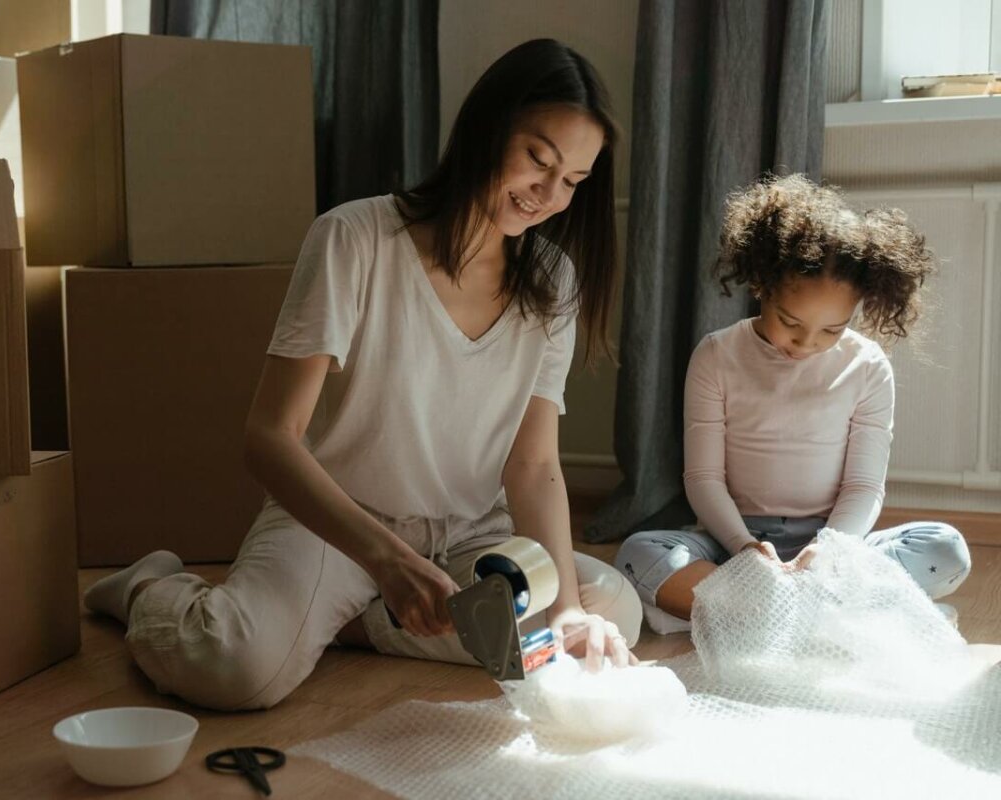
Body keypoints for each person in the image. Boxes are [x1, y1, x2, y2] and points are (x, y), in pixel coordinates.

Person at [84, 38, 643, 710]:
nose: (549, 196)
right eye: (539, 160)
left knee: (607, 607)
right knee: (233, 667)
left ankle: (358, 622)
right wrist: (387, 559)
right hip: (336, 527)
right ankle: (151, 587)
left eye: (573, 183)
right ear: (487, 127)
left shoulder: (553, 281)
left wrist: (568, 614)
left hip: (471, 537)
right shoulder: (354, 238)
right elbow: (269, 437)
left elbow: (534, 468)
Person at [617, 173, 972, 635]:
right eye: (790, 322)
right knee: (639, 553)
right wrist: (744, 547)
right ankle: (825, 616)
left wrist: (827, 550)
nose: (806, 344)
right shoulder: (716, 355)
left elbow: (864, 487)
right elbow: (703, 478)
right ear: (762, 286)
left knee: (945, 550)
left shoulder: (867, 366)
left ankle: (757, 615)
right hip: (734, 545)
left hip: (832, 547)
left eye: (832, 330)